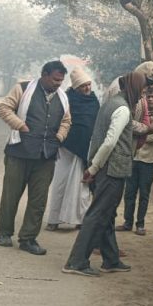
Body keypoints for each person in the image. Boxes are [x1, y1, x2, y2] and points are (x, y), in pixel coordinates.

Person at [62, 72, 146, 277]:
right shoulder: (123, 109)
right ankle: (76, 262)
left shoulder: (110, 103)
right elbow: (109, 141)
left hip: (105, 168)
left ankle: (111, 259)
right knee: (98, 215)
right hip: (112, 170)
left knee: (106, 214)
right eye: (142, 90)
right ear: (134, 88)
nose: (143, 95)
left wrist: (94, 165)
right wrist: (94, 168)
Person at [0, 61, 72, 255]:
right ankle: (4, 232)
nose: (58, 84)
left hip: (46, 156)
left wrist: (59, 137)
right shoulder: (23, 89)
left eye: (61, 80)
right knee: (11, 195)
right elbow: (4, 108)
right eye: (55, 79)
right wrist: (21, 125)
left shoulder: (63, 97)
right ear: (44, 75)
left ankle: (28, 239)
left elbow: (66, 121)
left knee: (38, 200)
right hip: (19, 152)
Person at [45, 68, 100, 231]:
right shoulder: (66, 99)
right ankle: (53, 220)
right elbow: (57, 120)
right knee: (60, 183)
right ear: (76, 87)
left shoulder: (94, 101)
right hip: (66, 148)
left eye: (89, 85)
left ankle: (80, 220)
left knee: (81, 185)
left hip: (85, 149)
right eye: (84, 86)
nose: (88, 88)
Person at [118, 86, 153, 235]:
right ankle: (128, 222)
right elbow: (131, 129)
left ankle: (140, 224)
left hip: (149, 160)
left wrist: (138, 135)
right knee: (129, 192)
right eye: (149, 96)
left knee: (144, 194)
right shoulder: (139, 112)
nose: (151, 99)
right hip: (134, 157)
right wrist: (141, 133)